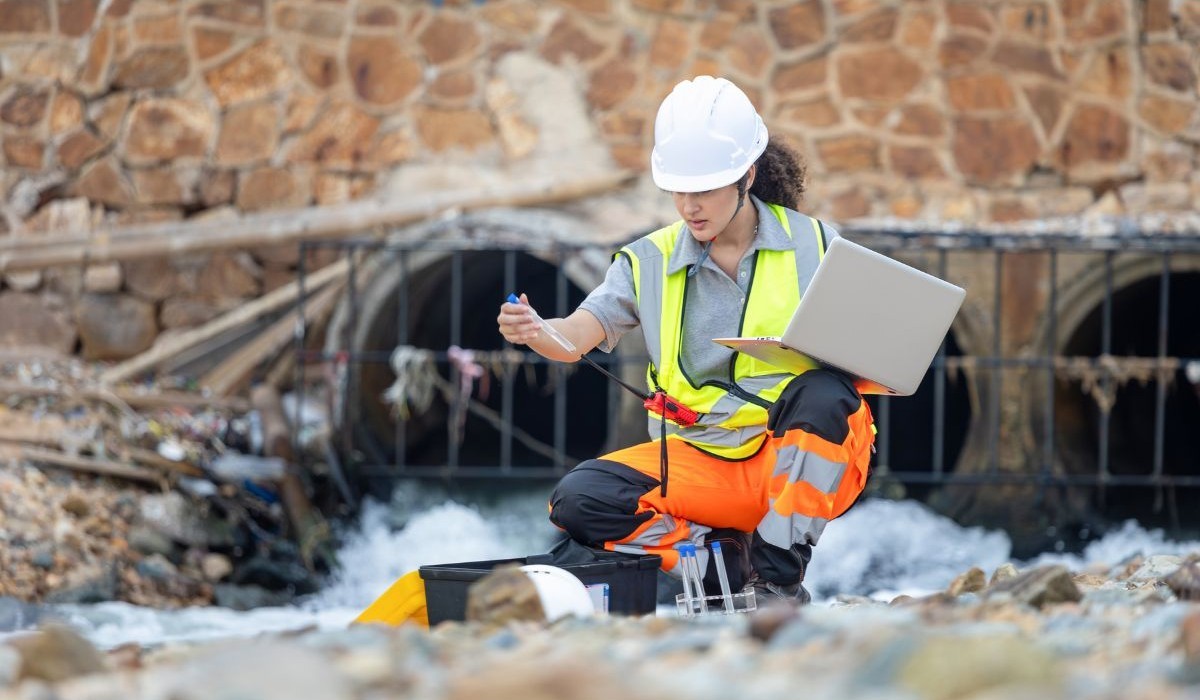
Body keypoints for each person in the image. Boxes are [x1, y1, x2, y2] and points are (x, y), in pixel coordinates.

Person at [496, 76, 875, 605]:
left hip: (798, 465)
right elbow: (574, 338)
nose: (689, 206)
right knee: (579, 499)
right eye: (678, 189)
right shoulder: (647, 262)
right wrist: (538, 332)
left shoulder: (816, 245)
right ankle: (718, 562)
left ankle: (777, 578)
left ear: (747, 176)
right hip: (701, 462)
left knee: (825, 391)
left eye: (704, 190)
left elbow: (865, 354)